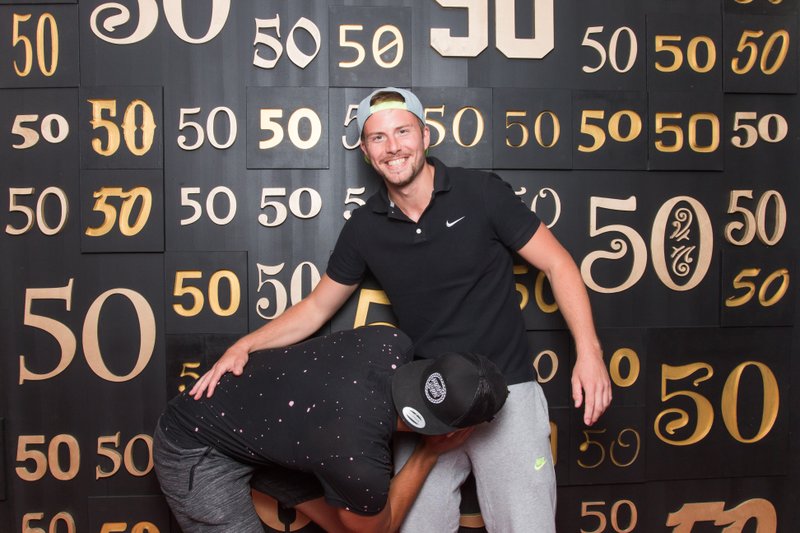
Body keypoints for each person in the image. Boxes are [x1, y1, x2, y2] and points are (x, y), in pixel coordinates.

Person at [190, 87, 612, 532]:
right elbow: (316, 308)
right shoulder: (365, 226)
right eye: (378, 137)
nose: (393, 147)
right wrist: (244, 345)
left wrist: (589, 352)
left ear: (425, 136)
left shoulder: (481, 192)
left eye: (403, 132)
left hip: (508, 392)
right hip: (427, 402)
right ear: (366, 151)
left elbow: (558, 263)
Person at [155, 326, 509, 532]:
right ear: (450, 431)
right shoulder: (357, 458)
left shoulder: (390, 340)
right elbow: (380, 529)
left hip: (276, 429)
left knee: (348, 522)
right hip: (195, 447)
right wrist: (428, 454)